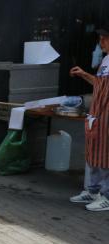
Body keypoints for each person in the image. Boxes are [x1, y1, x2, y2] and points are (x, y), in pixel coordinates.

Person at [69, 25, 109, 212]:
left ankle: (107, 196)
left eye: (105, 39)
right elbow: (100, 84)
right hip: (98, 113)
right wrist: (84, 74)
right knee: (94, 151)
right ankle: (93, 190)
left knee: (106, 155)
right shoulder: (106, 60)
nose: (101, 43)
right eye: (100, 39)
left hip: (107, 114)